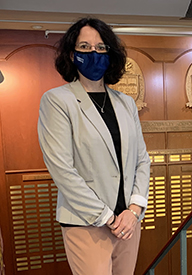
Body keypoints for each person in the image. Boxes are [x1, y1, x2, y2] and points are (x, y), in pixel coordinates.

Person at [38, 17, 151, 275]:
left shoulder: (125, 103)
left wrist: (134, 210)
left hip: (129, 224)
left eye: (101, 47)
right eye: (85, 47)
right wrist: (107, 217)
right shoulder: (57, 101)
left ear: (110, 54)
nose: (94, 53)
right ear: (71, 53)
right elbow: (62, 171)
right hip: (87, 224)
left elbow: (142, 160)